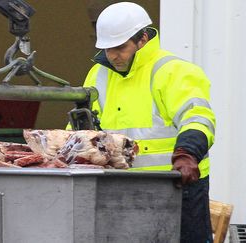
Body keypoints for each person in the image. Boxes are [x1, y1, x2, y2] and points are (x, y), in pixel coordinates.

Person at [83, 2, 215, 242]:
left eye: (120, 47)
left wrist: (187, 153)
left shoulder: (173, 71)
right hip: (117, 190)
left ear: (142, 39)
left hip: (176, 187)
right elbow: (82, 130)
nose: (113, 55)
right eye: (107, 48)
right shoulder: (97, 75)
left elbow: (198, 118)